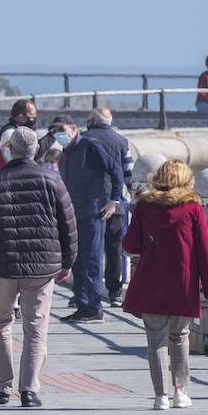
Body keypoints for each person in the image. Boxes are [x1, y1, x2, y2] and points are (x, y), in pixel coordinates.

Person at [0, 127, 78, 408]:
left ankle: (3, 387)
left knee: (1, 323)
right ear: (36, 150)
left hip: (3, 266)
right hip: (42, 268)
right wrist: (67, 262)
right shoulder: (52, 180)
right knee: (36, 327)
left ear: (10, 149)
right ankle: (29, 390)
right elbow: (68, 225)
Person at [123, 160, 208, 410]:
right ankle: (180, 392)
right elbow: (205, 251)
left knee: (156, 340)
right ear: (186, 180)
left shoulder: (144, 206)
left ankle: (160, 396)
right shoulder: (193, 208)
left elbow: (130, 246)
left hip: (151, 280)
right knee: (179, 337)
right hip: (183, 283)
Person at [56, 115, 125, 323]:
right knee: (77, 260)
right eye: (54, 130)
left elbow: (115, 170)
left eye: (61, 129)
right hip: (74, 212)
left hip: (93, 211)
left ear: (73, 128)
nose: (58, 133)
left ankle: (94, 308)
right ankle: (82, 303)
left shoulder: (89, 145)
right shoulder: (67, 151)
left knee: (92, 260)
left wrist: (113, 200)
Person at [82, 107, 133, 305]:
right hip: (115, 203)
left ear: (93, 120)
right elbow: (128, 173)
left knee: (87, 248)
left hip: (88, 203)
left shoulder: (83, 139)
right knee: (114, 249)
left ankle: (86, 290)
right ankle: (115, 292)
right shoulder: (121, 141)